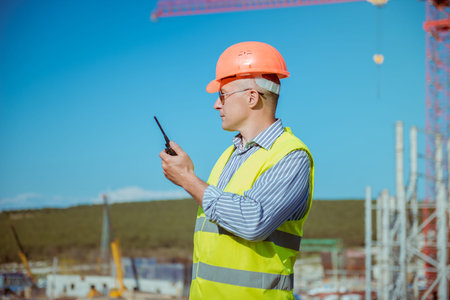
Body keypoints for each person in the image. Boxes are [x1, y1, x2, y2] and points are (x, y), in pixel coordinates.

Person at [159, 41, 314, 300]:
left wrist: (188, 179)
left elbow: (253, 221)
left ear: (252, 97)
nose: (216, 105)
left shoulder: (291, 155)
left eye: (222, 95)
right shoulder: (229, 155)